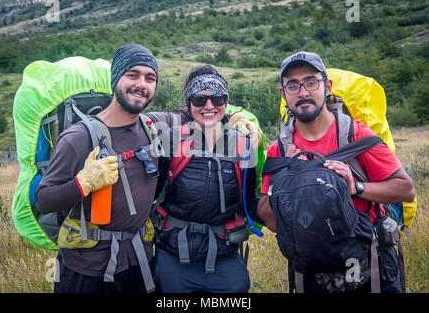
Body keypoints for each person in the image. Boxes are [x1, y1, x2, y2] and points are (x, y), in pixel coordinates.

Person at [36, 44, 260, 293]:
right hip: (87, 267)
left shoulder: (155, 126)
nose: (141, 84)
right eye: (132, 75)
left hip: (139, 263)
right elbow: (44, 200)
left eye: (150, 78)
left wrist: (235, 118)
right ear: (115, 79)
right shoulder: (79, 137)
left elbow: (201, 109)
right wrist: (83, 183)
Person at [258, 51, 415, 293]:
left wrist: (357, 188)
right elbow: (272, 221)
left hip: (370, 267)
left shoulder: (357, 136)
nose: (303, 92)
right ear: (283, 93)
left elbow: (406, 190)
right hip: (310, 275)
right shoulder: (278, 151)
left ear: (327, 86)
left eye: (311, 82)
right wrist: (284, 182)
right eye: (293, 85)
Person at [151, 65, 265, 293]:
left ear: (226, 103)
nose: (209, 106)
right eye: (200, 100)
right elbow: (149, 193)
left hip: (224, 252)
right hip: (174, 250)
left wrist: (281, 209)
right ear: (189, 104)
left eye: (218, 99)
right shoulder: (170, 141)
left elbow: (249, 200)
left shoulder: (243, 145)